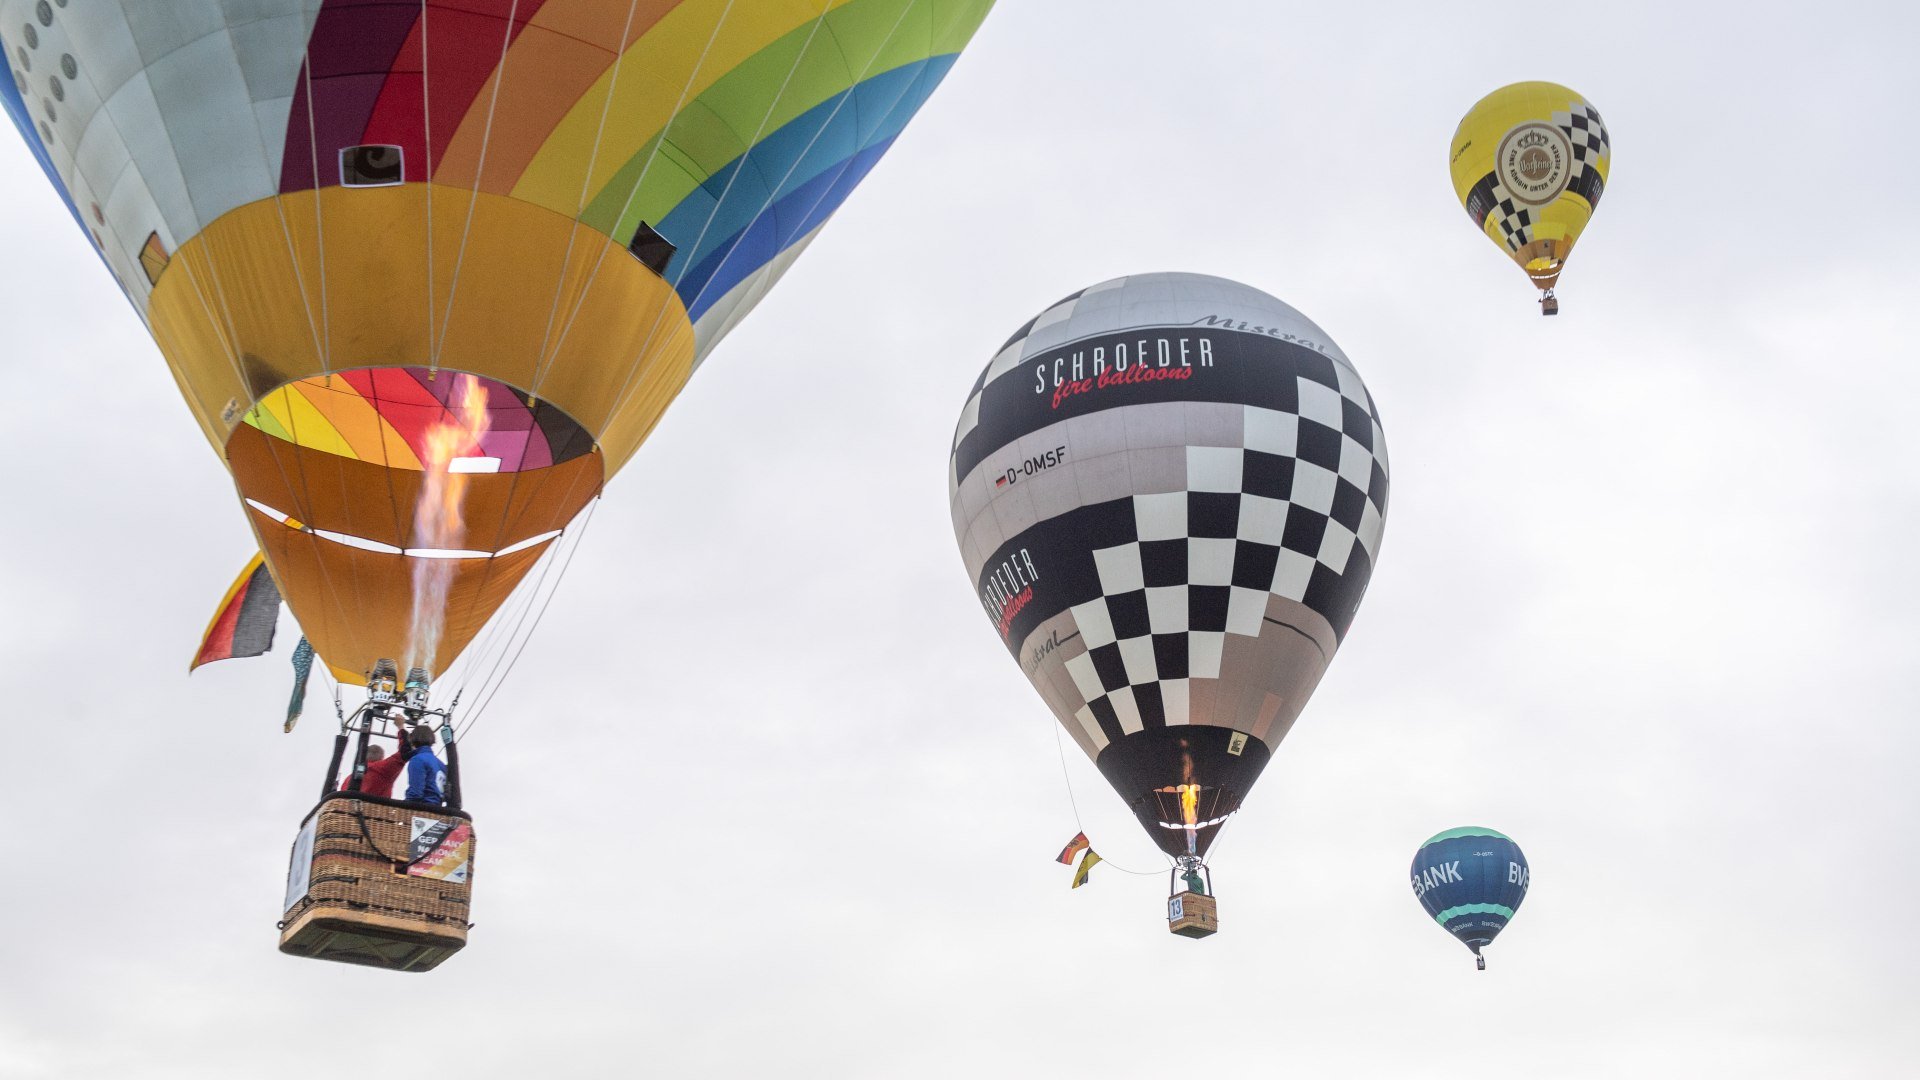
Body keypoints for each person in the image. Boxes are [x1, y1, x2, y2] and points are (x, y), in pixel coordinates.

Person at [339, 737, 415, 799]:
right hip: (374, 811)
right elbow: (405, 751)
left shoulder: (349, 779)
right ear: (382, 758)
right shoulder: (382, 768)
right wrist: (400, 726)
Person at [403, 724, 448, 808]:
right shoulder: (441, 764)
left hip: (422, 809)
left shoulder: (418, 759)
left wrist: (402, 806)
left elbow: (415, 793)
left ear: (412, 740)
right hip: (438, 810)